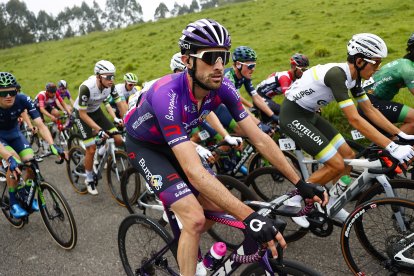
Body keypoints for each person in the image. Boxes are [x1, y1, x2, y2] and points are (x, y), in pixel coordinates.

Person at [124, 18, 327, 275]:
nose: (219, 66)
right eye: (211, 57)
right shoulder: (169, 96)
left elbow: (261, 139)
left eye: (224, 57)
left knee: (217, 206)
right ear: (188, 60)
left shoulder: (223, 86)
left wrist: (300, 183)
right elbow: (194, 173)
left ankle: (189, 243)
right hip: (146, 146)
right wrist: (248, 217)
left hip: (176, 141)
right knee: (195, 219)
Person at [279, 33, 414, 226]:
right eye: (375, 63)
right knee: (336, 164)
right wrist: (391, 147)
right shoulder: (338, 75)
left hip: (310, 115)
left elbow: (369, 109)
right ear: (359, 61)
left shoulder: (355, 78)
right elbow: (355, 119)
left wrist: (400, 135)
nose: (377, 68)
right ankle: (294, 200)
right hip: (292, 116)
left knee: (348, 155)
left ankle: (332, 202)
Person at [0, 72, 64, 218]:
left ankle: (27, 193)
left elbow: (40, 124)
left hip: (14, 133)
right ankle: (14, 202)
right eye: (3, 93)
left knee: (31, 162)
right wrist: (9, 158)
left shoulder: (22, 99)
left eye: (11, 91)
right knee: (14, 162)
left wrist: (52, 145)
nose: (8, 96)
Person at [73, 60, 127, 195]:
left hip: (96, 112)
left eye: (113, 76)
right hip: (82, 114)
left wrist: (127, 120)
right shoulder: (86, 88)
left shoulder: (111, 86)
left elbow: (120, 103)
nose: (111, 80)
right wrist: (99, 130)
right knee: (91, 149)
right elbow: (83, 114)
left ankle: (101, 156)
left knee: (118, 139)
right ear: (98, 76)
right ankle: (89, 179)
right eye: (108, 77)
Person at [359, 32, 414, 134]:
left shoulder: (406, 63)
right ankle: (394, 147)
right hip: (371, 103)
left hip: (371, 101)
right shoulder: (408, 68)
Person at [225, 46, 279, 125]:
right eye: (250, 66)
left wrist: (273, 116)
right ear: (238, 64)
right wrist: (259, 124)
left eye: (254, 65)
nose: (253, 69)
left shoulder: (244, 75)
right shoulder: (228, 78)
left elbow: (256, 97)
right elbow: (237, 103)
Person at [256, 53, 309, 120]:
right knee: (284, 113)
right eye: (302, 70)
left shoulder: (294, 78)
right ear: (293, 66)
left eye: (305, 70)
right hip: (259, 97)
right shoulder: (285, 77)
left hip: (267, 98)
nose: (303, 73)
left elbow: (273, 74)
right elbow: (289, 98)